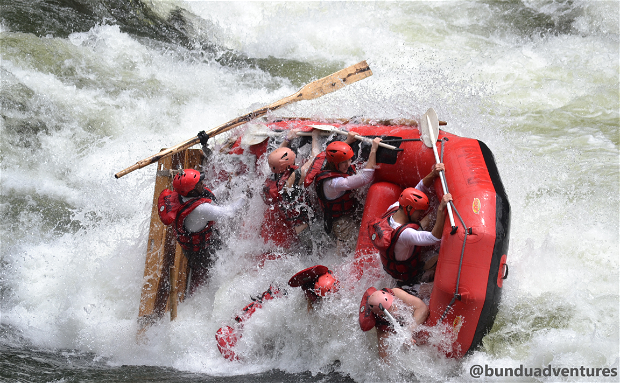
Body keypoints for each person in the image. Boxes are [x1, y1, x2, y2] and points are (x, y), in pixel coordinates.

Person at [158, 168, 245, 293]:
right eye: (199, 183)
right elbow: (229, 212)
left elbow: (209, 195)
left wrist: (227, 186)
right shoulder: (200, 210)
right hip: (202, 253)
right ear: (192, 190)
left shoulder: (182, 196)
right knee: (214, 267)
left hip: (193, 246)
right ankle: (211, 288)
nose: (202, 184)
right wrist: (244, 197)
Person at [368, 163, 453, 288]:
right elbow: (434, 238)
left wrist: (433, 173)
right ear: (409, 208)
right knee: (442, 256)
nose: (420, 214)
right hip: (410, 278)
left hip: (395, 263)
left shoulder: (395, 208)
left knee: (428, 219)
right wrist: (441, 210)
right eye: (419, 211)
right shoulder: (405, 234)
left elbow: (417, 190)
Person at [305, 131, 382, 254]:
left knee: (344, 242)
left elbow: (332, 153)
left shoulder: (326, 161)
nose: (348, 164)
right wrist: (373, 149)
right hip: (340, 221)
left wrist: (347, 141)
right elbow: (365, 177)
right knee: (353, 247)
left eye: (349, 160)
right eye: (344, 162)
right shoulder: (334, 183)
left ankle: (339, 247)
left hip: (343, 213)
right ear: (335, 164)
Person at [261, 129, 321, 250]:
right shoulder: (293, 177)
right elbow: (315, 157)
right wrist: (315, 137)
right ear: (289, 164)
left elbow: (274, 157)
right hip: (306, 226)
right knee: (317, 251)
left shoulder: (272, 173)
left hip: (293, 225)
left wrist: (287, 139)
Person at [359, 287, 429, 361]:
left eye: (394, 305)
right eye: (391, 311)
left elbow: (423, 308)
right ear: (382, 316)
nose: (396, 311)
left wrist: (409, 331)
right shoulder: (383, 329)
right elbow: (385, 361)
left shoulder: (396, 293)